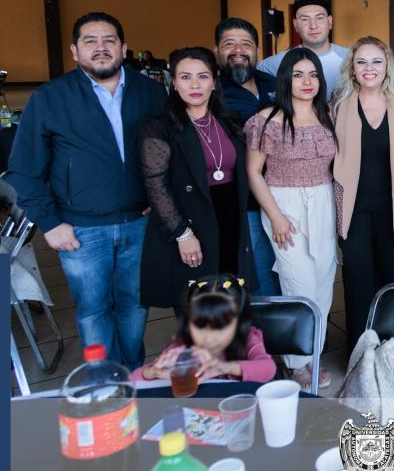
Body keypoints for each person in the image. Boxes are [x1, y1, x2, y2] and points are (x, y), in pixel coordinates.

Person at [7, 12, 165, 369]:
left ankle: (131, 376)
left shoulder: (151, 92)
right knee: (94, 310)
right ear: (75, 51)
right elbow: (23, 170)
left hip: (140, 224)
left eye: (109, 40)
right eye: (90, 41)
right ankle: (106, 385)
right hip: (80, 230)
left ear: (123, 48)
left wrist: (160, 200)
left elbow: (169, 151)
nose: (101, 47)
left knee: (135, 305)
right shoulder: (50, 98)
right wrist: (49, 223)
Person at [245, 49, 338, 391]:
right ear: (286, 79)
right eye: (298, 75)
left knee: (324, 282)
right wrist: (275, 216)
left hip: (324, 202)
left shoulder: (329, 115)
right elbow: (253, 172)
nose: (306, 82)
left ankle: (313, 352)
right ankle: (297, 362)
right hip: (284, 204)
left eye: (313, 75)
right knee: (298, 284)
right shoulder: (267, 119)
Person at [138, 48, 256, 310]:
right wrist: (182, 234)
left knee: (230, 304)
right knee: (196, 310)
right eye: (185, 77)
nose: (194, 85)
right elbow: (155, 182)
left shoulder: (230, 121)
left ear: (214, 81)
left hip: (229, 220)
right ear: (174, 83)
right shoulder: (159, 125)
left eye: (202, 76)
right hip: (189, 221)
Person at [332, 36, 394, 355]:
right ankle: (359, 346)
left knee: (393, 275)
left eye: (377, 61)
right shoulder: (338, 103)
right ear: (352, 68)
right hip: (352, 206)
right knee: (357, 276)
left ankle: (393, 343)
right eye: (362, 62)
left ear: (388, 66)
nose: (370, 68)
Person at [215, 17, 280, 297]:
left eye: (246, 44)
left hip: (284, 192)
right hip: (244, 200)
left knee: (289, 267)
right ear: (217, 50)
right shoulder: (212, 90)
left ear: (257, 50)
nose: (238, 50)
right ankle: (267, 323)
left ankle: (297, 319)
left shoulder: (273, 83)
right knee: (260, 272)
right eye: (229, 43)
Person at [131, 276, 276, 384]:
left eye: (220, 327)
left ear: (239, 323)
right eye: (200, 326)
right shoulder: (183, 346)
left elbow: (268, 369)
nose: (209, 337)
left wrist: (226, 367)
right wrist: (152, 372)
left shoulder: (248, 338)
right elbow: (133, 380)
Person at [257, 0, 350, 99]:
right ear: (295, 25)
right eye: (305, 19)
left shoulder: (350, 57)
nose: (313, 25)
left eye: (319, 18)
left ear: (330, 22)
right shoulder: (279, 61)